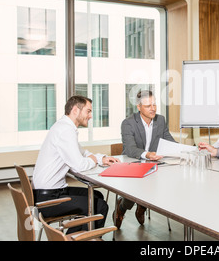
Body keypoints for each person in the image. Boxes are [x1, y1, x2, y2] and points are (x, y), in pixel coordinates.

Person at [32, 95, 119, 234]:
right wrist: (95, 160)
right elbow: (79, 165)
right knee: (100, 206)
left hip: (48, 192)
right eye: (88, 111)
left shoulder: (63, 126)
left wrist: (101, 158)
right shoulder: (66, 130)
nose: (90, 116)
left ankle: (72, 237)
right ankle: (80, 238)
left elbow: (82, 152)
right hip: (48, 199)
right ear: (75, 110)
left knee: (96, 196)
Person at [114, 90, 175, 229]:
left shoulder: (160, 120)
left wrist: (185, 150)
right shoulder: (128, 123)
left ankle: (142, 206)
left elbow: (169, 141)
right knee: (137, 188)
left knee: (161, 182)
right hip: (133, 163)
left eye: (154, 104)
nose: (153, 108)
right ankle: (122, 207)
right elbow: (130, 149)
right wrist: (147, 155)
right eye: (148, 106)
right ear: (139, 107)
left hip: (153, 164)